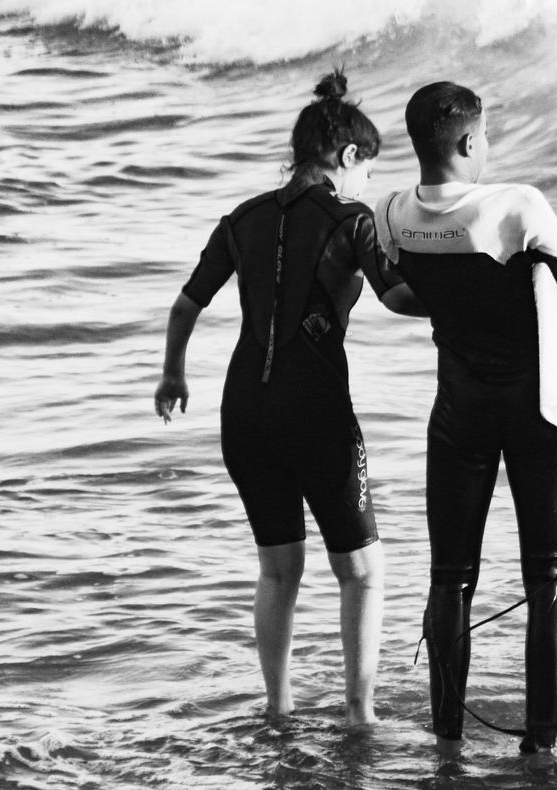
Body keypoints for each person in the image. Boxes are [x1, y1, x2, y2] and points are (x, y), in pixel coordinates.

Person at [376, 81, 557, 753]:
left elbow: (396, 292)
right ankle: (542, 743)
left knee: (450, 576)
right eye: (487, 137)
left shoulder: (391, 214)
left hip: (457, 412)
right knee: (547, 573)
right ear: (469, 142)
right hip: (537, 413)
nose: (489, 147)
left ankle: (446, 738)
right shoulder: (517, 207)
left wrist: (454, 307)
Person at [153, 70, 423, 726]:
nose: (366, 187)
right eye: (367, 171)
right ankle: (360, 715)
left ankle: (278, 708)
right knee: (360, 571)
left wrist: (173, 375)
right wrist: (466, 290)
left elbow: (187, 304)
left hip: (244, 412)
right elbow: (397, 297)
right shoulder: (350, 217)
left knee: (279, 568)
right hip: (316, 412)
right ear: (348, 157)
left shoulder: (241, 219)